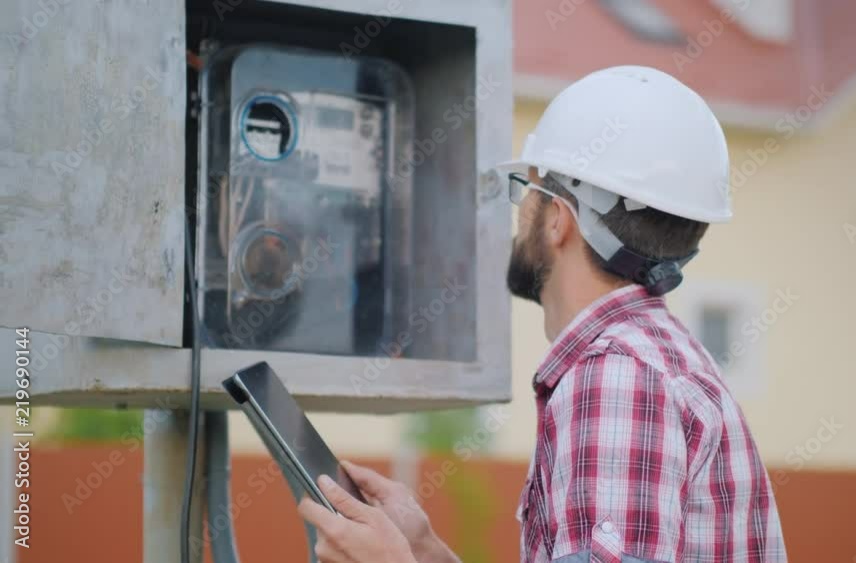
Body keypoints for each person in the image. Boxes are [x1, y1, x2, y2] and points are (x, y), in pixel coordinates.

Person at [298, 66, 788, 563]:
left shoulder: (616, 376)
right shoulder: (648, 357)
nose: (520, 214)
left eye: (526, 191)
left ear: (557, 219)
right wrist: (424, 551)